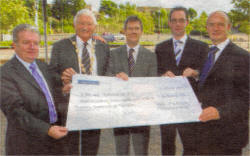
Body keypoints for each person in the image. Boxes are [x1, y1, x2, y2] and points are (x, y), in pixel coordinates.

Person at [49, 9, 110, 155]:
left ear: (94, 27)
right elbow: (50, 73)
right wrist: (62, 79)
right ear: (75, 25)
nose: (85, 27)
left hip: (94, 105)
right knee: (69, 148)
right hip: (69, 106)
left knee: (91, 146)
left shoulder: (103, 47)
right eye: (81, 23)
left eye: (89, 24)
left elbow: (108, 71)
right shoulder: (60, 46)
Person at [0, 24, 68, 155]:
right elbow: (15, 113)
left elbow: (53, 93)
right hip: (27, 144)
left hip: (55, 140)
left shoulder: (43, 66)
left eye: (36, 43)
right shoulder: (5, 73)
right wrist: (47, 130)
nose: (32, 47)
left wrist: (64, 90)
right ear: (15, 45)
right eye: (26, 42)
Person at [155, 6, 209, 155]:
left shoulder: (202, 47)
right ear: (169, 23)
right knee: (167, 146)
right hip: (167, 106)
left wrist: (195, 73)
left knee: (191, 146)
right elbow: (156, 72)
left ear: (187, 22)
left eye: (181, 20)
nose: (177, 24)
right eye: (174, 21)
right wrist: (162, 75)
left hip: (190, 105)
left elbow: (207, 74)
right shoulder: (160, 48)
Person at [195, 11, 249, 155]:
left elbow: (245, 99)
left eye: (220, 24)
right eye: (212, 24)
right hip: (204, 134)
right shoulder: (203, 54)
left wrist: (220, 112)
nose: (216, 28)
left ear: (229, 27)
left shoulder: (243, 57)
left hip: (228, 137)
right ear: (206, 28)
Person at [106, 16, 157, 155]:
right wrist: (115, 78)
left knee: (142, 152)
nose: (133, 31)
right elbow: (107, 76)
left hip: (142, 113)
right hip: (120, 112)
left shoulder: (151, 56)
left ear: (141, 31)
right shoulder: (113, 54)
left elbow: (153, 83)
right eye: (130, 28)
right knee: (121, 151)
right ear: (124, 31)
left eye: (136, 28)